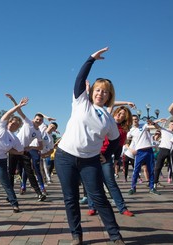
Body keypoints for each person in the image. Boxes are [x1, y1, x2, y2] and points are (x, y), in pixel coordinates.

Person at [54, 47, 124, 245]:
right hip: (65, 157)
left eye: (105, 92)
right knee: (71, 198)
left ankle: (115, 236)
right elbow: (79, 79)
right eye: (98, 89)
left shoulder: (108, 119)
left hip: (90, 162)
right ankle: (76, 235)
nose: (101, 93)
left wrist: (107, 155)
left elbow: (116, 140)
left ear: (109, 96)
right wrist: (91, 59)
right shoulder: (80, 102)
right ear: (92, 91)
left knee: (99, 198)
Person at [87, 104, 134, 217]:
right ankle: (92, 207)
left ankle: (122, 208)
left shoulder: (123, 130)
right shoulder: (106, 120)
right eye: (119, 112)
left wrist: (115, 159)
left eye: (123, 114)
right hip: (93, 154)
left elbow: (118, 146)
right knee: (92, 182)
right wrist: (126, 103)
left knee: (111, 183)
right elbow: (110, 104)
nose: (120, 115)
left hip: (105, 157)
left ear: (126, 118)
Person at [6, 94, 46, 201]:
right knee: (11, 172)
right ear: (34, 119)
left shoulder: (38, 132)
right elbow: (18, 111)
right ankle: (10, 195)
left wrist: (31, 147)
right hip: (14, 150)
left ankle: (39, 193)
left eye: (40, 120)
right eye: (37, 119)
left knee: (29, 172)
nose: (38, 121)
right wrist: (14, 100)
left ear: (42, 122)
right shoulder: (28, 122)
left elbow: (41, 146)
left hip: (24, 151)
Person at [127, 115, 160, 196]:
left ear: (138, 119)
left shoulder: (144, 126)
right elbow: (126, 141)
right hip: (139, 152)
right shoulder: (131, 131)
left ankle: (152, 188)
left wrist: (156, 121)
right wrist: (130, 149)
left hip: (149, 151)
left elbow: (155, 127)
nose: (135, 120)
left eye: (136, 119)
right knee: (136, 170)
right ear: (131, 121)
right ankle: (133, 187)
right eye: (133, 119)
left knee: (151, 170)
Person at [152, 119, 173, 190]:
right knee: (158, 167)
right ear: (169, 125)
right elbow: (153, 124)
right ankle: (155, 183)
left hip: (172, 151)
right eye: (172, 124)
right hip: (163, 150)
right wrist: (158, 120)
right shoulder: (164, 129)